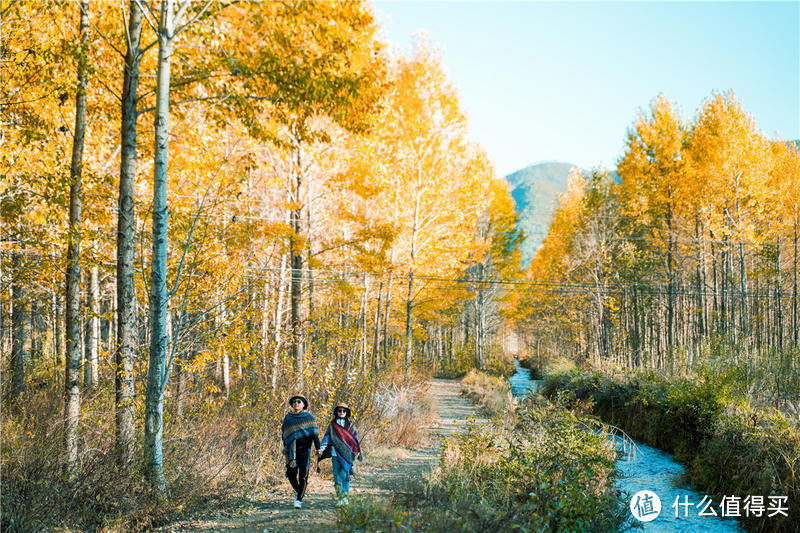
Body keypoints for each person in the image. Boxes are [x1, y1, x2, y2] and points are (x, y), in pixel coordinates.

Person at [318, 402, 362, 506]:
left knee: (344, 475)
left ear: (347, 412)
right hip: (335, 453)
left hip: (347, 455)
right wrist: (321, 448)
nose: (341, 412)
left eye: (344, 411)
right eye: (339, 411)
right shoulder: (332, 425)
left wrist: (357, 450)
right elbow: (327, 437)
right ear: (336, 412)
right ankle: (340, 498)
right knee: (337, 477)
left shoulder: (351, 425)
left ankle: (345, 497)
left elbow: (355, 438)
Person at [281, 394, 320, 509]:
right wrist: (285, 446)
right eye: (294, 401)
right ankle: (300, 491)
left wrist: (318, 448)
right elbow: (285, 435)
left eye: (299, 401)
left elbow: (314, 435)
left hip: (304, 450)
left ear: (303, 404)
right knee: (291, 475)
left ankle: (299, 499)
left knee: (303, 476)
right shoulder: (288, 418)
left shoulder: (309, 417)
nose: (296, 403)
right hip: (291, 452)